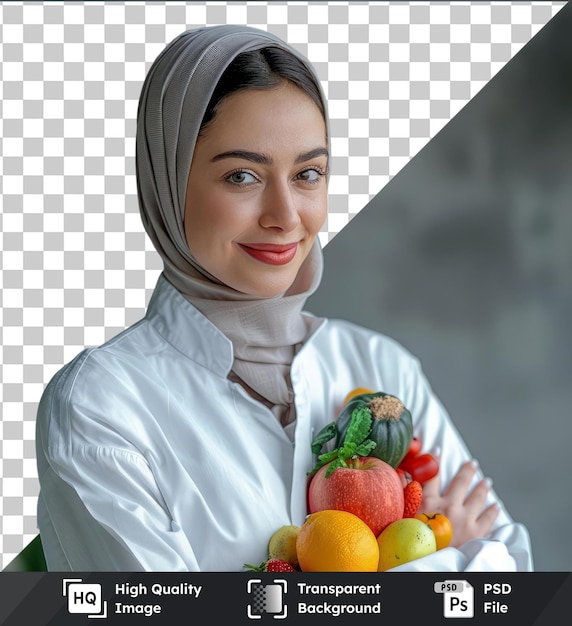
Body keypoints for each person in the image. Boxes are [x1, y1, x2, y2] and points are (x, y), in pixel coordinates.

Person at [35, 24, 533, 572]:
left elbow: (514, 582)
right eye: (243, 176)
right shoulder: (101, 406)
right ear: (168, 179)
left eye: (308, 174)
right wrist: (443, 559)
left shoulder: (381, 367)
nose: (286, 215)